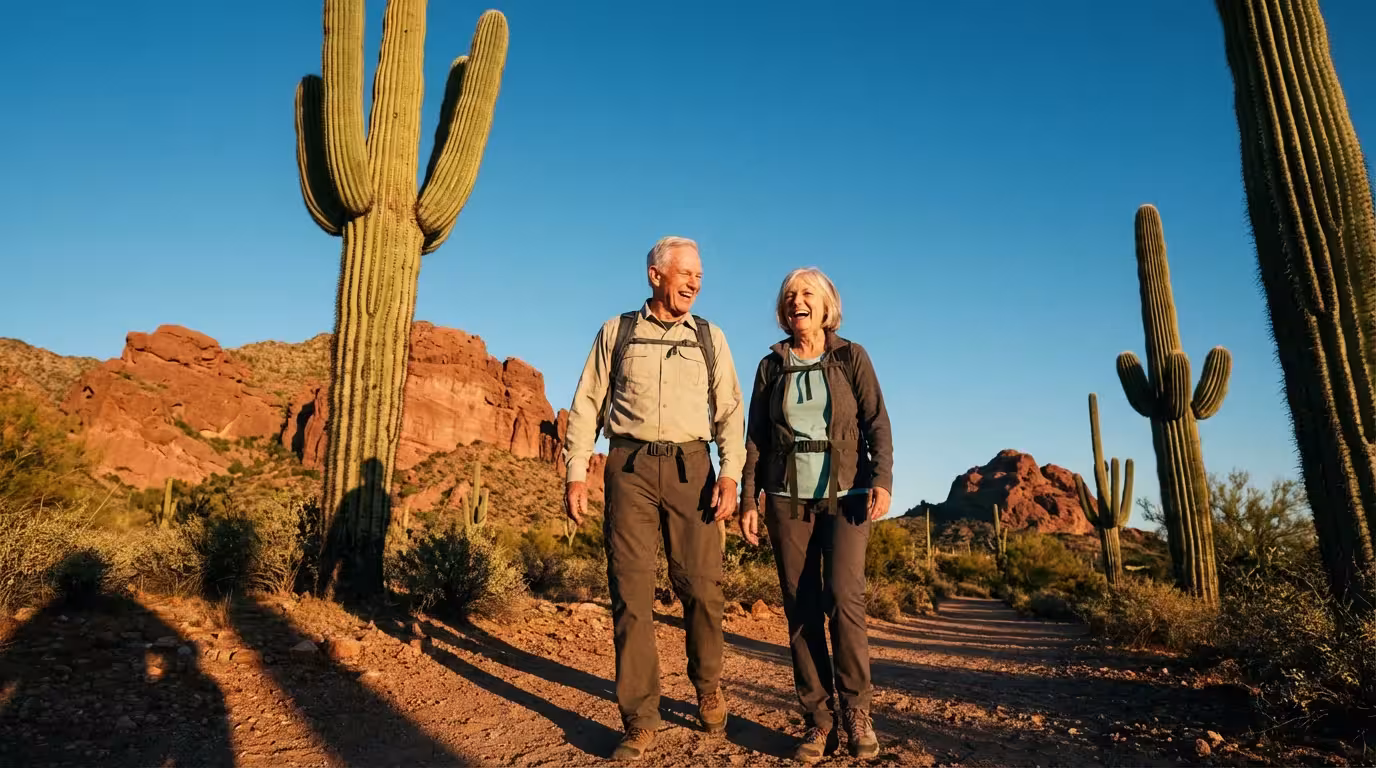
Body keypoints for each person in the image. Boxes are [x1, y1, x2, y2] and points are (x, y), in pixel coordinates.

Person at [561, 235, 746, 761]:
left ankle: (708, 685)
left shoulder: (710, 338)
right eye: (685, 272)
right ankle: (641, 717)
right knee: (631, 593)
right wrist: (577, 473)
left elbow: (730, 411)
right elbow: (587, 404)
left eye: (700, 276)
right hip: (629, 468)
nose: (694, 282)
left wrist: (730, 474)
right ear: (655, 275)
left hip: (694, 470)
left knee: (703, 588)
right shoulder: (617, 332)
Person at [738, 266, 894, 763]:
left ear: (826, 305)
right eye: (789, 295)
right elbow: (756, 441)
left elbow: (876, 423)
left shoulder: (851, 357)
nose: (796, 301)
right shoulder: (771, 366)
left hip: (848, 494)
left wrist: (883, 480)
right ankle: (818, 720)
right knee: (800, 608)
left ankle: (857, 713)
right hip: (787, 498)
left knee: (844, 600)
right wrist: (748, 500)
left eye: (806, 294)